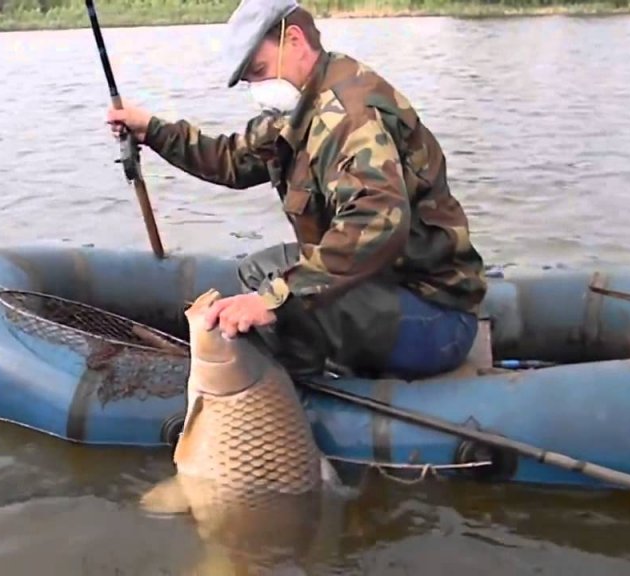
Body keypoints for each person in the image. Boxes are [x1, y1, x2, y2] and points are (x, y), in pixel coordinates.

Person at [106, 0, 487, 381]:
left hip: (434, 317)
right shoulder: (300, 106)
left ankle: (300, 395)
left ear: (295, 40)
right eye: (249, 81)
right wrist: (153, 130)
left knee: (279, 292)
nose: (257, 88)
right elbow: (231, 159)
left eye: (259, 71)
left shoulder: (349, 116)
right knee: (259, 270)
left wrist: (274, 301)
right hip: (383, 287)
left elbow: (376, 221)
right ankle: (306, 373)